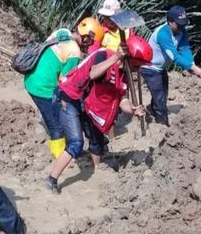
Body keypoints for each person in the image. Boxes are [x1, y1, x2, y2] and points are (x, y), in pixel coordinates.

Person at [45, 35, 151, 194]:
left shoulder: (124, 75)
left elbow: (123, 99)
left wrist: (133, 110)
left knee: (97, 138)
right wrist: (116, 57)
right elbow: (93, 73)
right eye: (136, 66)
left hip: (87, 103)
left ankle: (98, 172)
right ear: (128, 59)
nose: (137, 71)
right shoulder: (104, 55)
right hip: (70, 97)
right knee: (76, 143)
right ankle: (52, 179)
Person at [24, 17, 104, 159]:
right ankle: (60, 157)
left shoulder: (61, 32)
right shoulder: (74, 52)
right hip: (43, 88)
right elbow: (66, 82)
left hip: (31, 78)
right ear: (86, 37)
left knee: (54, 116)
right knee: (57, 127)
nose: (90, 45)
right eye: (91, 41)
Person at [140, 5, 201, 127]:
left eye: (183, 24)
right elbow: (174, 56)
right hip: (150, 68)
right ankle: (163, 125)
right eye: (178, 24)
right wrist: (191, 68)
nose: (181, 27)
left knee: (163, 93)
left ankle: (152, 108)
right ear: (170, 22)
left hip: (161, 68)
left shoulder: (181, 31)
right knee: (160, 98)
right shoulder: (163, 34)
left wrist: (192, 64)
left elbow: (184, 48)